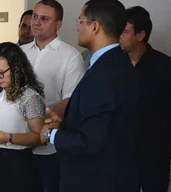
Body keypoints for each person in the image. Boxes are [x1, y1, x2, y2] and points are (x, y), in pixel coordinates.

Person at [40, 1, 140, 191]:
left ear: (95, 27)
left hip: (94, 179)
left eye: (81, 21)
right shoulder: (118, 63)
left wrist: (50, 135)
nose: (78, 26)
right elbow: (104, 124)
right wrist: (66, 122)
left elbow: (90, 142)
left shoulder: (104, 75)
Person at [20, 0, 85, 191]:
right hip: (17, 142)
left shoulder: (70, 56)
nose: (36, 22)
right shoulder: (19, 53)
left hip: (48, 146)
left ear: (58, 24)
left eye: (44, 18)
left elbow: (70, 101)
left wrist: (41, 125)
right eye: (34, 16)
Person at [0, 42, 45, 192]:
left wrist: (8, 137)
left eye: (1, 72)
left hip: (17, 164)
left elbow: (40, 137)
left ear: (16, 69)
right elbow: (0, 125)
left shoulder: (29, 96)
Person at [119, 6, 171, 192]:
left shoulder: (165, 67)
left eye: (124, 31)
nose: (119, 36)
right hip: (120, 156)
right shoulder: (112, 65)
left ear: (140, 35)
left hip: (154, 156)